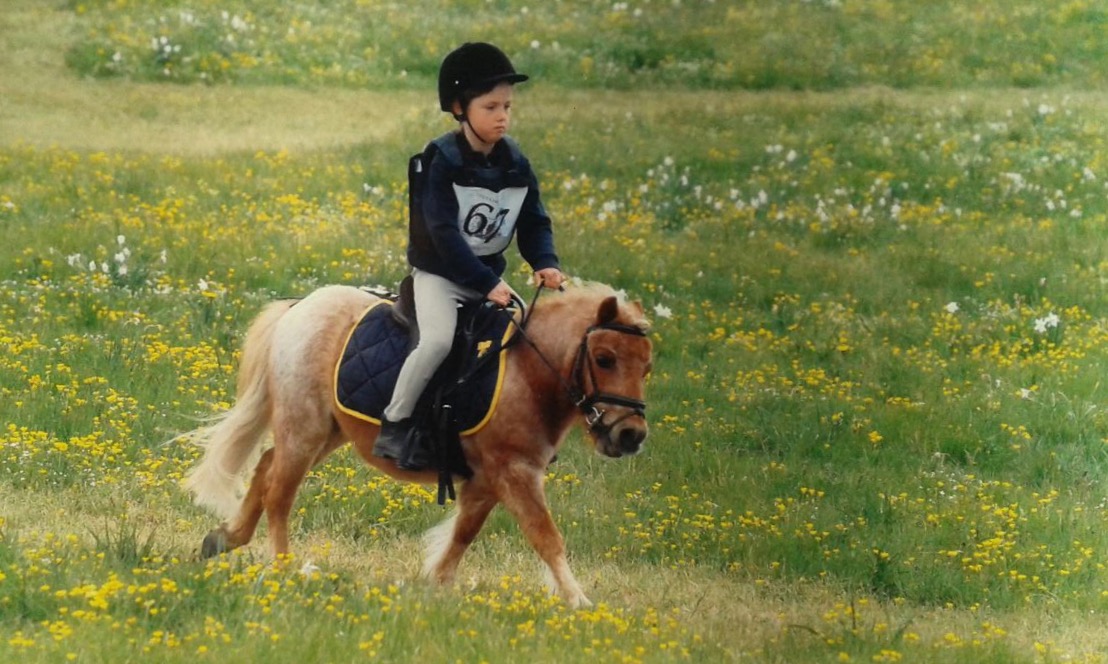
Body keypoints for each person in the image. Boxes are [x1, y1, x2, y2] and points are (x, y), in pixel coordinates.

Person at [374, 42, 565, 470]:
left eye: (508, 107)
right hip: (441, 277)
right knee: (438, 340)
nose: (502, 116)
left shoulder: (516, 162)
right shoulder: (440, 160)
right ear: (460, 107)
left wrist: (545, 262)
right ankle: (397, 421)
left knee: (528, 340)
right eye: (490, 106)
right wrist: (486, 284)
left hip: (488, 278)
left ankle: (512, 428)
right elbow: (442, 235)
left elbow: (534, 220)